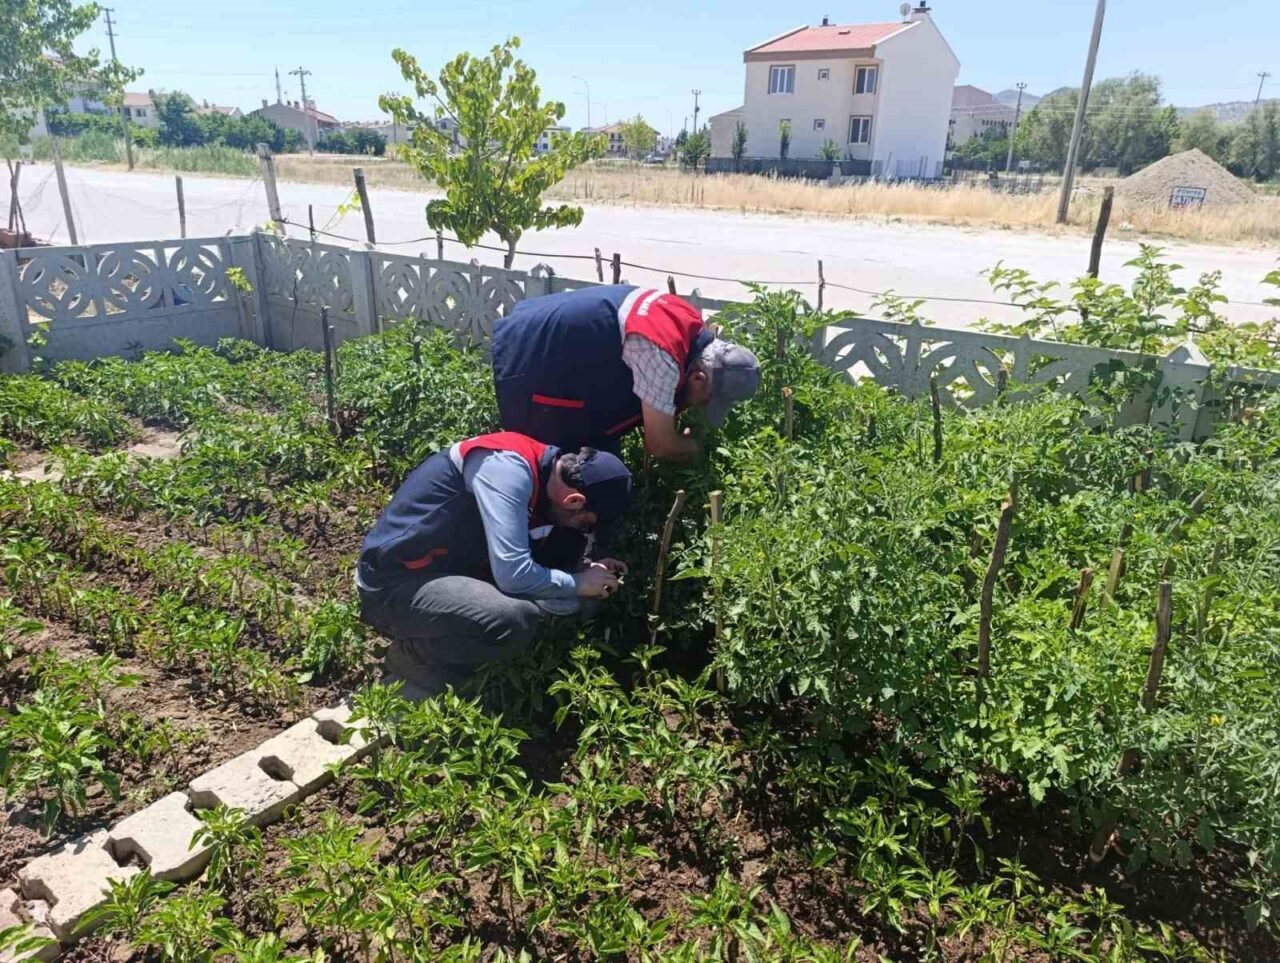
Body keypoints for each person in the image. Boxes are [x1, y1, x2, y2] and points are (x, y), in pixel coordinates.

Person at [356, 431, 633, 698]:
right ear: (574, 501)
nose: (583, 532)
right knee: (512, 618)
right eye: (585, 524)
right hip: (390, 586)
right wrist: (578, 584)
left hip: (446, 570)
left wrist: (583, 568)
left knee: (559, 598)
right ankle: (413, 657)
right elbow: (513, 575)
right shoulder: (507, 471)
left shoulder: (546, 471)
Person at [492, 286, 761, 461]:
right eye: (706, 400)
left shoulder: (687, 322)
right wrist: (701, 450)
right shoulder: (661, 356)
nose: (700, 407)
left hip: (543, 326)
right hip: (527, 356)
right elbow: (661, 444)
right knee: (549, 460)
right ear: (698, 377)